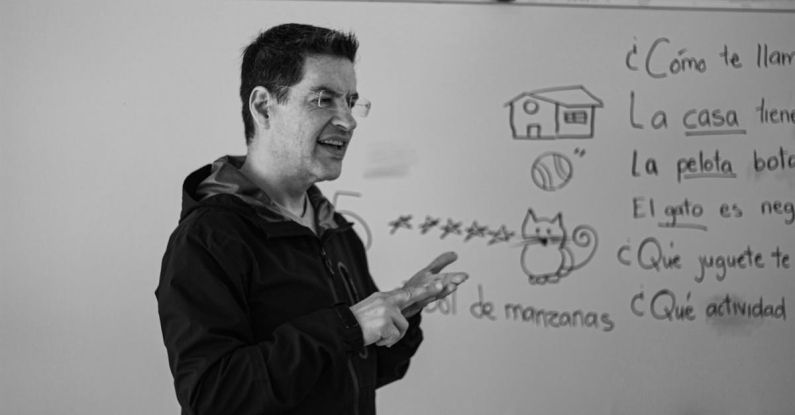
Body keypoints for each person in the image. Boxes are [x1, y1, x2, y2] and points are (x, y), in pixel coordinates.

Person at [155, 23, 468, 415]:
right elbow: (213, 399)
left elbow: (358, 374)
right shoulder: (208, 238)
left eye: (351, 102)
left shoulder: (335, 229)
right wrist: (347, 327)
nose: (348, 121)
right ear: (264, 107)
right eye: (323, 99)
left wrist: (401, 315)